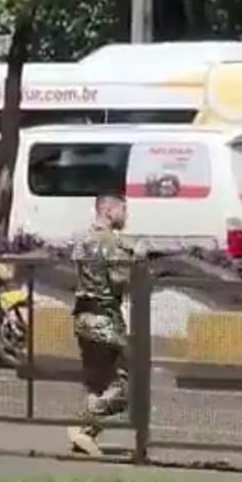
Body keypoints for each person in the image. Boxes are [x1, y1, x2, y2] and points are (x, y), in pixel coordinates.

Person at [68, 193, 141, 456]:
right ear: (108, 210)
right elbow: (120, 279)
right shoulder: (109, 242)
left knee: (97, 382)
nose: (126, 215)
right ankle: (82, 424)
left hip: (82, 318)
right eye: (123, 209)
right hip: (105, 320)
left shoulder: (82, 239)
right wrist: (136, 261)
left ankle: (86, 437)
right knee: (132, 379)